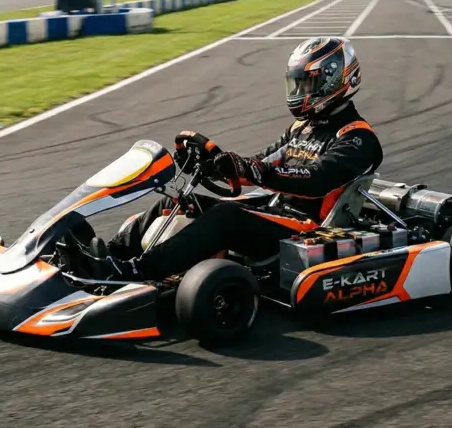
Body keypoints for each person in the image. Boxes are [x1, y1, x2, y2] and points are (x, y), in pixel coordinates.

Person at [89, 36, 384, 280]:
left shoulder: (357, 138)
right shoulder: (301, 129)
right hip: (274, 213)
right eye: (298, 84)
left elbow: (316, 180)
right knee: (176, 201)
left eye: (307, 84)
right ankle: (111, 256)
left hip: (308, 228)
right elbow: (259, 163)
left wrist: (254, 171)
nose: (299, 92)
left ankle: (135, 272)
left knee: (224, 218)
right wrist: (216, 165)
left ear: (336, 81)